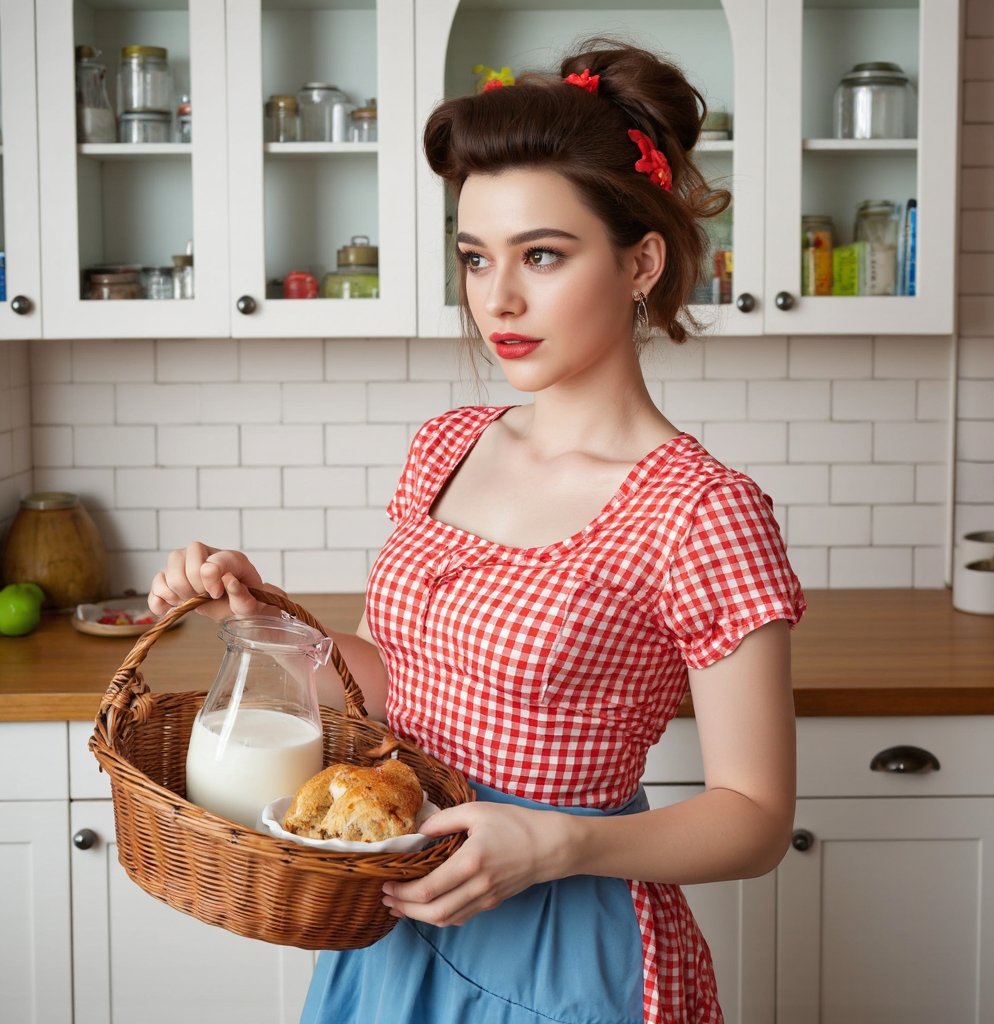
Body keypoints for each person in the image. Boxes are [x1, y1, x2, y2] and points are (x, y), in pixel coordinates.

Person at [149, 39, 804, 1024]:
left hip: (557, 946)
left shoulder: (699, 510)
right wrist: (269, 621)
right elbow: (406, 684)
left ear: (641, 261)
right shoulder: (448, 445)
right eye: (474, 256)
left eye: (542, 254)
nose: (497, 297)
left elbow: (753, 819)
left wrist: (556, 844)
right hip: (395, 917)